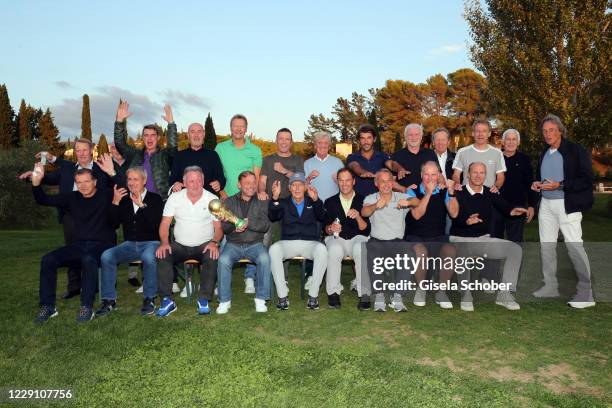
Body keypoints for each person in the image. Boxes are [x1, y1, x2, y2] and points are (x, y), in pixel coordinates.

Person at [19, 138, 113, 300]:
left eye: (84, 150)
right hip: (71, 214)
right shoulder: (68, 169)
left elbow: (113, 185)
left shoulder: (101, 169)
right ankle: (74, 286)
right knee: (73, 249)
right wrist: (32, 177)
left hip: (98, 216)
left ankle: (96, 285)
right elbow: (47, 178)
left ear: (91, 150)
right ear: (75, 152)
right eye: (78, 150)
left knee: (94, 252)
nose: (81, 153)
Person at [31, 163, 116, 323]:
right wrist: (36, 182)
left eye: (86, 181)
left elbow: (129, 186)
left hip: (103, 245)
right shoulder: (72, 198)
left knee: (88, 260)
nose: (83, 186)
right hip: (80, 245)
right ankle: (48, 307)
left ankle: (86, 307)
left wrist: (112, 173)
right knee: (48, 259)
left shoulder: (106, 194)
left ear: (95, 182)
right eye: (79, 182)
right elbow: (43, 199)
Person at [531, 114, 595, 308]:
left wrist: (561, 185)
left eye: (551, 130)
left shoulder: (574, 150)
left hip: (568, 204)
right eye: (545, 131)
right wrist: (537, 184)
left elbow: (587, 177)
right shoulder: (544, 153)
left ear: (560, 130)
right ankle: (550, 286)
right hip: (546, 206)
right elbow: (544, 177)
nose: (548, 134)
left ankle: (586, 294)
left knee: (574, 246)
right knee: (547, 246)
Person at [447, 162, 528, 312]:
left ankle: (504, 294)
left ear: (486, 175)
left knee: (515, 249)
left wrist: (513, 211)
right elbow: (454, 217)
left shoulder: (489, 192)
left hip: (482, 239)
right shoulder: (459, 192)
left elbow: (505, 207)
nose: (478, 176)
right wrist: (466, 221)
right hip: (460, 239)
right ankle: (466, 294)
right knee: (463, 251)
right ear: (468, 175)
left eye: (482, 172)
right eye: (475, 172)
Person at [96, 166, 164, 317]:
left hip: (151, 243)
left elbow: (155, 226)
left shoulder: (155, 199)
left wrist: (142, 206)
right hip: (129, 244)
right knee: (107, 256)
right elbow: (113, 224)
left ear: (144, 181)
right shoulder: (124, 199)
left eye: (136, 179)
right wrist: (114, 202)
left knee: (148, 257)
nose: (132, 183)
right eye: (129, 179)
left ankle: (149, 298)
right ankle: (109, 300)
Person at [155, 166, 223, 317]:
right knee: (163, 254)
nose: (195, 184)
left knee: (211, 255)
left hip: (204, 245)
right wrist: (164, 242)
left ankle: (204, 300)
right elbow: (165, 224)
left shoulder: (212, 199)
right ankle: (167, 300)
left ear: (203, 181)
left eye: (199, 180)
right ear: (184, 182)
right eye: (191, 181)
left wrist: (214, 242)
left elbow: (219, 228)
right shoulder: (174, 198)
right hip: (180, 245)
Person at [215, 114, 263, 294]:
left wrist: (254, 196)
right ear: (230, 128)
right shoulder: (220, 148)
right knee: (226, 238)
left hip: (249, 200)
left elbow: (256, 178)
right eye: (235, 126)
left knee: (251, 236)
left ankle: (250, 278)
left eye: (242, 126)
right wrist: (222, 194)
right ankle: (222, 283)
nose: (238, 129)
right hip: (227, 199)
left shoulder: (255, 150)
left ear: (246, 128)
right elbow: (216, 172)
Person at [360, 169, 419, 312]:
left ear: (393, 183)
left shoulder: (400, 196)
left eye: (389, 181)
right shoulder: (371, 198)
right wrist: (375, 206)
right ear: (376, 183)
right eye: (382, 181)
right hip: (377, 241)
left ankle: (397, 296)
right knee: (372, 252)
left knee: (409, 255)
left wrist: (409, 200)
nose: (386, 184)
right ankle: (379, 295)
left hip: (397, 242)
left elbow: (417, 201)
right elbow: (364, 212)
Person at [268, 173, 327, 310]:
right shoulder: (283, 202)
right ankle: (282, 296)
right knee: (274, 249)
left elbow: (322, 216)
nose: (297, 188)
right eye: (294, 185)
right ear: (289, 188)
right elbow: (273, 216)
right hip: (289, 242)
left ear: (305, 186)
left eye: (300, 184)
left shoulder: (313, 200)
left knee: (322, 250)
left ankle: (313, 296)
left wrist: (317, 200)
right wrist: (275, 198)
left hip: (309, 243)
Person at [217, 171, 271, 314]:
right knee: (223, 260)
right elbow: (225, 228)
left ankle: (261, 299)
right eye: (247, 183)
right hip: (233, 244)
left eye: (253, 183)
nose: (251, 186)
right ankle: (224, 300)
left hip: (254, 243)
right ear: (239, 185)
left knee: (265, 258)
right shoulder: (228, 202)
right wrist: (233, 226)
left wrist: (249, 223)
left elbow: (265, 225)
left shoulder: (261, 200)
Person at [404, 161, 457, 309]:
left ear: (438, 175)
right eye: (426, 174)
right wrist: (428, 193)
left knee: (450, 250)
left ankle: (441, 291)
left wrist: (451, 191)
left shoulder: (443, 191)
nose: (430, 178)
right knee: (421, 252)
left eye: (434, 174)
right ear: (421, 175)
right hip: (416, 236)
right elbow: (417, 215)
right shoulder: (411, 191)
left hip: (438, 236)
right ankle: (421, 289)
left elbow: (454, 213)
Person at [323, 168, 370, 309]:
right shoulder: (329, 202)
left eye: (347, 180)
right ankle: (333, 293)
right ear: (337, 182)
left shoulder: (364, 200)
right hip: (338, 239)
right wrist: (330, 228)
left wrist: (359, 216)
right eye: (341, 180)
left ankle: (365, 294)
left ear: (353, 181)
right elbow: (324, 229)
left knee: (360, 248)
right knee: (334, 249)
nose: (344, 184)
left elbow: (366, 229)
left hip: (358, 237)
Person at [114, 100, 177, 200]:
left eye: (153, 135)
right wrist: (119, 121)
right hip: (135, 200)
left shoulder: (165, 155)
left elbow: (173, 146)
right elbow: (119, 143)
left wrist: (171, 124)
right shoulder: (135, 155)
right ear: (143, 138)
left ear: (158, 138)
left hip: (159, 202)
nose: (149, 138)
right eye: (146, 135)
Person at [258, 127, 304, 247]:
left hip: (290, 205)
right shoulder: (267, 159)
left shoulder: (297, 159)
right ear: (276, 141)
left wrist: (284, 170)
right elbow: (262, 180)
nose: (284, 142)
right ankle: (264, 264)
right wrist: (262, 191)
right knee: (266, 238)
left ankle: (284, 266)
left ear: (291, 142)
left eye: (287, 139)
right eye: (281, 139)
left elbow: (300, 180)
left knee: (286, 241)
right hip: (270, 203)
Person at [493, 129, 537, 242]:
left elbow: (530, 184)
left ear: (518, 142)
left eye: (514, 139)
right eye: (508, 139)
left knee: (515, 244)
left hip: (517, 207)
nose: (511, 142)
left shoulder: (525, 160)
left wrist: (532, 205)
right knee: (494, 243)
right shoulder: (495, 158)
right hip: (496, 207)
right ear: (503, 141)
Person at [169, 122, 226, 197]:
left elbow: (221, 177)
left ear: (204, 135)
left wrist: (219, 183)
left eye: (199, 131)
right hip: (184, 201)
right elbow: (172, 179)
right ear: (188, 136)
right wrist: (174, 184)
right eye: (192, 132)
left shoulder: (213, 155)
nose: (196, 135)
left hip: (207, 201)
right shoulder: (179, 156)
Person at [388, 123, 438, 192]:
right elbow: (390, 182)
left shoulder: (430, 153)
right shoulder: (396, 156)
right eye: (410, 135)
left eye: (416, 134)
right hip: (405, 198)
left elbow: (439, 175)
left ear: (421, 137)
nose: (413, 138)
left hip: (428, 196)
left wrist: (441, 183)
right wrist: (404, 189)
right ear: (405, 137)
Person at [346, 124, 392, 197]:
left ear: (374, 139)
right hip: (358, 202)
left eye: (369, 138)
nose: (366, 142)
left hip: (379, 202)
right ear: (359, 140)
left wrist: (400, 169)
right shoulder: (352, 157)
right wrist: (363, 172)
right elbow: (355, 166)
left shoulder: (383, 156)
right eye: (362, 138)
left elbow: (391, 164)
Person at [304, 131, 344, 202]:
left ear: (329, 146)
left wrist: (338, 181)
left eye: (325, 143)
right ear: (315, 146)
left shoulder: (338, 162)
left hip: (334, 204)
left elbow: (346, 185)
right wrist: (309, 178)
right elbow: (302, 187)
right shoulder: (307, 163)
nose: (323, 145)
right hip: (313, 203)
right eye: (319, 143)